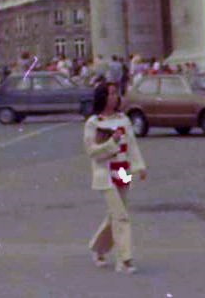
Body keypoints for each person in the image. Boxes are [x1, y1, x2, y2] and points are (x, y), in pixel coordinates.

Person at [83, 81, 146, 274]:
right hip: (105, 172)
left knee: (116, 215)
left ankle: (98, 248)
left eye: (116, 94)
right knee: (121, 217)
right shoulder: (94, 122)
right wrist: (112, 142)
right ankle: (125, 259)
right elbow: (92, 152)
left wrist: (139, 166)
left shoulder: (123, 119)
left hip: (122, 170)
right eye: (110, 94)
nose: (114, 97)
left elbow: (132, 145)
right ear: (102, 97)